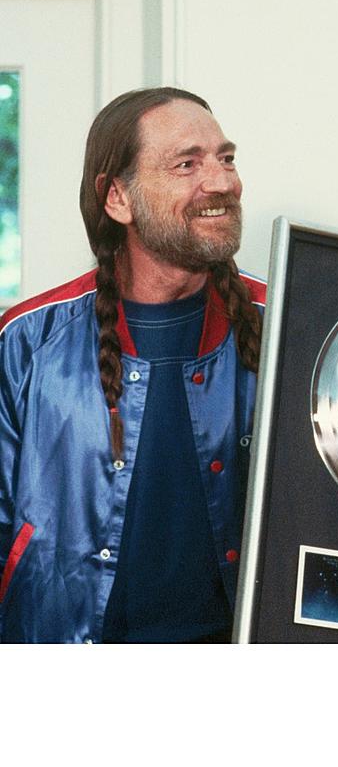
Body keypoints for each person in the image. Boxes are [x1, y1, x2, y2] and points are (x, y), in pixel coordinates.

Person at [0, 87, 265, 643]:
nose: (221, 181)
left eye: (226, 158)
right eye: (187, 164)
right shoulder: (27, 340)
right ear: (118, 198)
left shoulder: (285, 323)